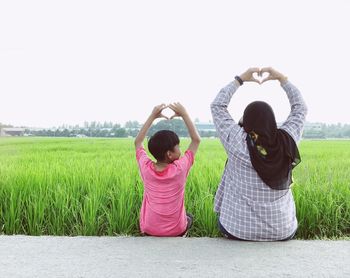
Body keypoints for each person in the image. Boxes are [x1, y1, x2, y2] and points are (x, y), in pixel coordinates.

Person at [211, 67, 308, 241]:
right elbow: (300, 108)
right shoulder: (286, 140)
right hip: (282, 231)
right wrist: (282, 78)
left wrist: (240, 79)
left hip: (238, 231)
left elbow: (217, 106)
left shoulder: (236, 140)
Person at [134, 102, 201, 236]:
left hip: (149, 229)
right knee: (189, 217)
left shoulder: (146, 168)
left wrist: (152, 116)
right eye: (178, 147)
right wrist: (184, 114)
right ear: (169, 154)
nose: (181, 150)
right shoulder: (180, 169)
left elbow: (138, 142)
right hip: (176, 230)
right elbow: (196, 140)